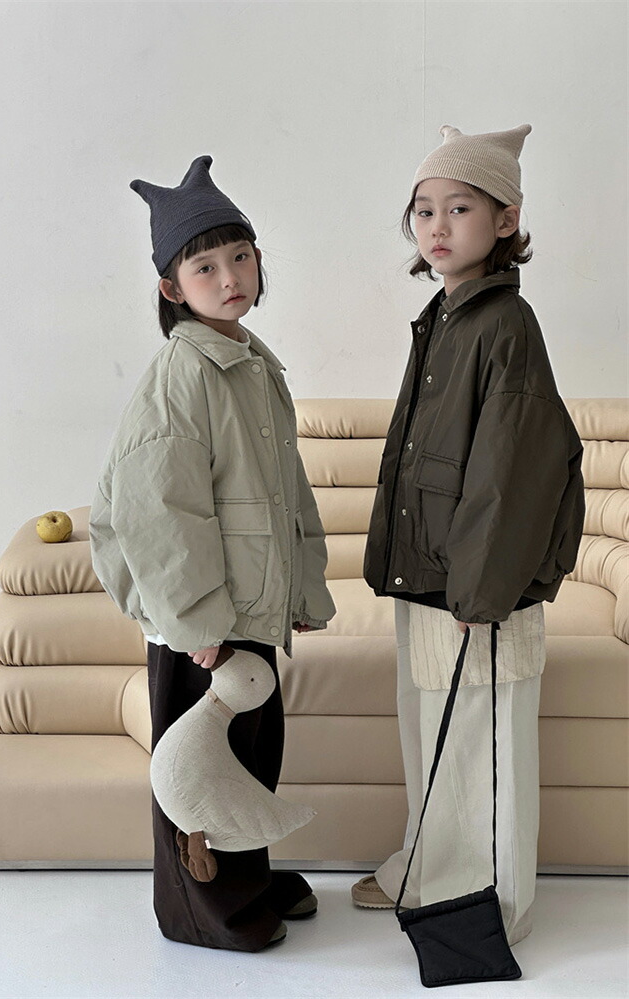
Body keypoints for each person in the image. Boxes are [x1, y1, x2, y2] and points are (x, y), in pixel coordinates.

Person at [89, 155, 336, 952]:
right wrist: (194, 621)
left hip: (247, 608)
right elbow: (159, 510)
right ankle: (202, 907)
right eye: (205, 266)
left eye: (240, 256)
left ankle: (246, 874)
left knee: (249, 753)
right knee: (195, 768)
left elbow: (284, 493)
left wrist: (303, 590)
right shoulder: (183, 375)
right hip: (199, 620)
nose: (229, 277)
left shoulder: (252, 366)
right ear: (172, 287)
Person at [356, 125, 584, 945]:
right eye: (424, 210)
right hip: (434, 574)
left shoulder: (504, 324)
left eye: (460, 208)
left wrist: (481, 592)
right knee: (435, 734)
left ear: (506, 219)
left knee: (484, 743)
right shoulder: (444, 318)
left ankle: (488, 906)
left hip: (478, 588)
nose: (437, 225)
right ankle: (429, 871)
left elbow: (512, 472)